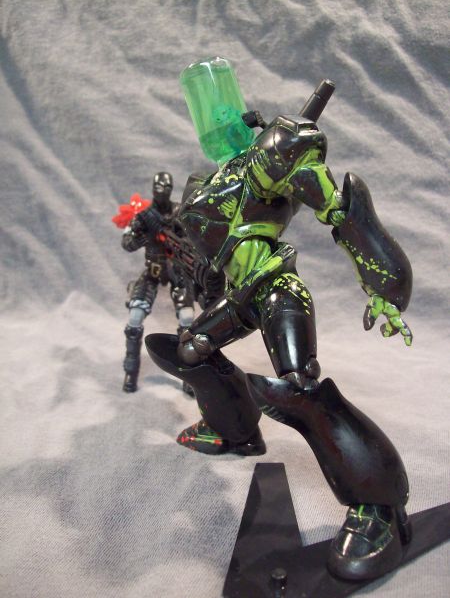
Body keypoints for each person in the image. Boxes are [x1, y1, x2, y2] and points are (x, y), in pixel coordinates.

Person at [145, 57, 413, 581]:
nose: (215, 121)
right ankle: (234, 429)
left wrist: (381, 282)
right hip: (238, 297)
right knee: (191, 350)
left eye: (221, 108)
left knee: (298, 387)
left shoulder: (268, 160)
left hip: (275, 289)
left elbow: (337, 211)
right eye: (204, 110)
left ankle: (379, 506)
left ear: (239, 108)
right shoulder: (207, 183)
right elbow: (203, 249)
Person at [113, 173, 195, 393]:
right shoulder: (144, 215)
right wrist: (144, 238)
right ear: (153, 189)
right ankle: (131, 372)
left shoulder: (180, 212)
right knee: (135, 318)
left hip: (177, 271)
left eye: (166, 187)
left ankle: (189, 377)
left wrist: (181, 241)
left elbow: (194, 238)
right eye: (159, 187)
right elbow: (127, 242)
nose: (163, 191)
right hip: (152, 271)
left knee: (188, 320)